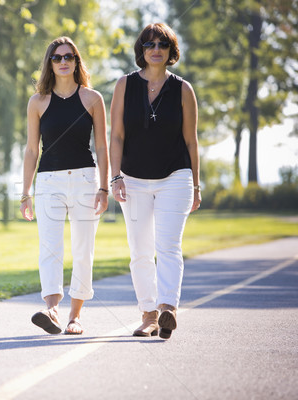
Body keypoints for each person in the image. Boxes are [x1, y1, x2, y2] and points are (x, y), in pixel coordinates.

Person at [109, 23, 201, 339]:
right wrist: (115, 176)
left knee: (169, 247)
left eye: (162, 43)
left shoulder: (183, 89)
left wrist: (196, 186)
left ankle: (167, 310)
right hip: (133, 179)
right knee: (140, 250)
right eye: (149, 44)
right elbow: (116, 136)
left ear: (170, 50)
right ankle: (148, 314)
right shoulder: (124, 85)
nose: (156, 49)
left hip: (175, 177)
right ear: (142, 51)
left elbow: (191, 142)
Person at [20, 37, 109, 335]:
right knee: (50, 248)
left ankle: (75, 316)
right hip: (48, 182)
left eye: (69, 56)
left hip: (85, 179)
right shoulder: (38, 102)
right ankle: (52, 310)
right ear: (49, 63)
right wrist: (25, 193)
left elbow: (102, 147)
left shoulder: (93, 99)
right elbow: (32, 150)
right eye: (57, 58)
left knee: (83, 250)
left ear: (76, 61)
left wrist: (104, 187)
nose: (63, 62)